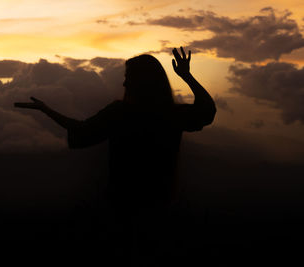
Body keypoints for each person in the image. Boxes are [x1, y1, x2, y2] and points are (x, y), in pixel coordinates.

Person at [15, 47, 216, 262]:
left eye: (128, 78)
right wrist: (187, 76)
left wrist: (47, 111)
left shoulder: (120, 114)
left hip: (122, 210)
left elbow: (82, 130)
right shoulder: (171, 115)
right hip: (161, 208)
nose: (124, 84)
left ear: (141, 83)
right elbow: (207, 111)